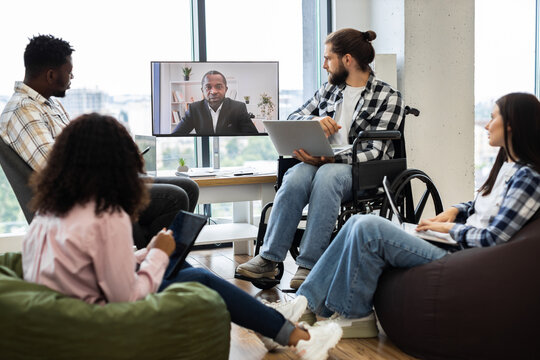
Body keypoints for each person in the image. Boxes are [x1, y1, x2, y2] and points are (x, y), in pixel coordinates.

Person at [21, 113, 342, 359]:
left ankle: (275, 328)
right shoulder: (108, 215)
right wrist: (159, 253)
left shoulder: (49, 213)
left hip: (65, 308)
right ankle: (299, 339)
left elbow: (85, 264)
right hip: (96, 321)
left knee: (186, 268)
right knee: (198, 279)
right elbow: (127, 299)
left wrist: (142, 255)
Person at [294, 92, 540, 338]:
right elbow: (486, 205)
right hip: (457, 248)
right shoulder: (508, 167)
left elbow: (494, 239)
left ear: (511, 124)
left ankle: (353, 314)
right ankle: (306, 304)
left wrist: (449, 230)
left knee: (369, 227)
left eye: (493, 117)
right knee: (357, 222)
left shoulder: (527, 178)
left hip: (464, 258)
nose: (487, 125)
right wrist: (455, 211)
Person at [236, 28, 404, 288]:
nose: (324, 64)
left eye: (328, 58)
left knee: (327, 175)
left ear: (347, 60)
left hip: (360, 170)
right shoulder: (329, 90)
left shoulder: (388, 97)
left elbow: (375, 150)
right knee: (294, 176)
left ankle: (309, 264)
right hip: (320, 164)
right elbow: (293, 118)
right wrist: (313, 120)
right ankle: (269, 259)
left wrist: (331, 160)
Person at [0, 34, 199, 249]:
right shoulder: (24, 111)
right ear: (50, 75)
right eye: (68, 71)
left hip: (91, 186)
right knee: (174, 197)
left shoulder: (47, 105)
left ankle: (155, 262)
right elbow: (56, 173)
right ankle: (143, 264)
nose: (72, 76)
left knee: (189, 186)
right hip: (79, 201)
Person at [172, 70, 258, 135]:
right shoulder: (194, 109)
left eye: (219, 86)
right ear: (202, 90)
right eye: (208, 87)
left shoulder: (238, 108)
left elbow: (253, 137)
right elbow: (176, 135)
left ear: (226, 89)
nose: (213, 91)